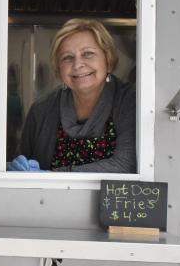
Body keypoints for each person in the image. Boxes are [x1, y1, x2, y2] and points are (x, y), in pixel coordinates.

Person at [9, 18, 136, 173]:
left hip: (111, 198)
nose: (77, 65)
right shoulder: (41, 109)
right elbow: (19, 174)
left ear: (108, 60)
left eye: (88, 54)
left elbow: (126, 165)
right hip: (47, 198)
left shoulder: (131, 102)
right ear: (58, 68)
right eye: (67, 57)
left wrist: (55, 176)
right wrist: (18, 169)